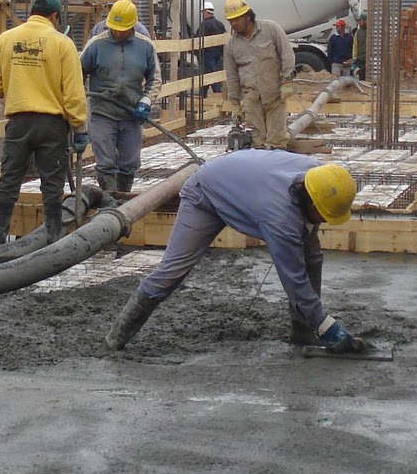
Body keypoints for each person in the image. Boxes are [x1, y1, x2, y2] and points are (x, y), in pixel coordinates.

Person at [103, 151, 364, 353]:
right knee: (171, 272)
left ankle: (303, 333)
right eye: (324, 215)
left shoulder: (318, 176)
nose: (326, 221)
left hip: (241, 183)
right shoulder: (279, 219)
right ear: (311, 201)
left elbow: (307, 251)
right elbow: (294, 280)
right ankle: (116, 338)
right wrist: (329, 328)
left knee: (312, 257)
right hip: (205, 194)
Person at [0, 0, 89, 244]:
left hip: (18, 122)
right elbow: (74, 93)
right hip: (51, 125)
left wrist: (18, 89)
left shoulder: (6, 38)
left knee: (9, 181)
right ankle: (52, 239)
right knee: (51, 185)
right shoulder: (62, 43)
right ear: (55, 17)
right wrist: (79, 127)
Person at [80, 0, 159, 195]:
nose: (117, 32)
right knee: (105, 163)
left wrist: (145, 102)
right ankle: (110, 201)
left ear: (132, 26)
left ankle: (122, 199)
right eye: (114, 28)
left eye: (121, 29)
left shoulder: (145, 46)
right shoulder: (96, 45)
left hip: (132, 114)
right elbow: (76, 73)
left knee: (130, 163)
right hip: (102, 113)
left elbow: (155, 78)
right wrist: (80, 99)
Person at [223, 0, 296, 150]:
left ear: (248, 16)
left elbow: (287, 54)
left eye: (236, 19)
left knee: (278, 141)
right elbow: (232, 75)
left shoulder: (270, 29)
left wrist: (287, 80)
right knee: (256, 143)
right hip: (251, 100)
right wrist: (235, 103)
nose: (233, 24)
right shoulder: (231, 45)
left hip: (275, 95)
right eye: (230, 20)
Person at [85, 0, 152, 45]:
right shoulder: (98, 29)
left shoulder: (140, 31)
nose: (114, 10)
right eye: (110, 6)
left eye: (117, 6)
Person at [198, 1, 226, 95]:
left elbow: (198, 40)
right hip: (219, 53)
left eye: (203, 12)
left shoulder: (204, 25)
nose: (202, 15)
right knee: (209, 73)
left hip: (208, 54)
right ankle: (202, 94)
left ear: (206, 12)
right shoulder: (220, 24)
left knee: (211, 75)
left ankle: (218, 93)